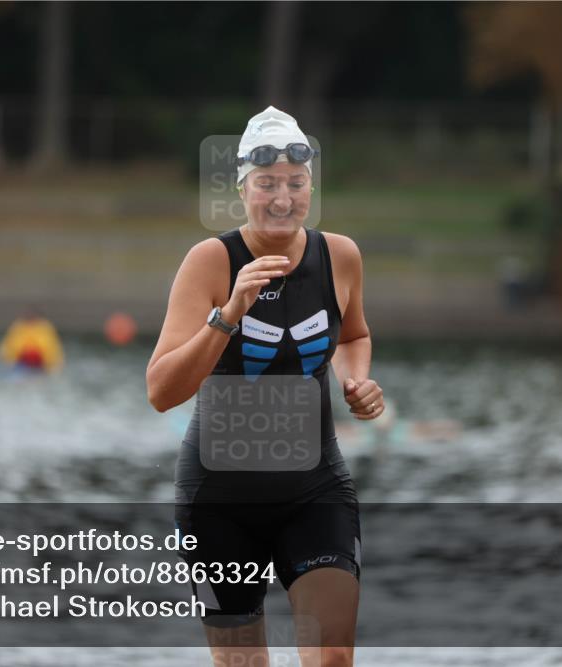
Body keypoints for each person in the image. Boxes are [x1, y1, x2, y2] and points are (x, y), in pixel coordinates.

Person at [146, 106, 385, 667]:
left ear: (311, 189)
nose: (282, 199)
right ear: (242, 189)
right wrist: (228, 315)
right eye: (267, 184)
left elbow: (354, 334)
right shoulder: (211, 261)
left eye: (296, 184)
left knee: (332, 656)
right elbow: (161, 391)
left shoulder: (340, 256)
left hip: (315, 489)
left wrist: (356, 380)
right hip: (219, 501)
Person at [0, 308, 64, 372]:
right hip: (21, 363)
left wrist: (54, 364)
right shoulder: (18, 327)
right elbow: (9, 346)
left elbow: (52, 347)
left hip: (41, 365)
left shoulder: (45, 328)